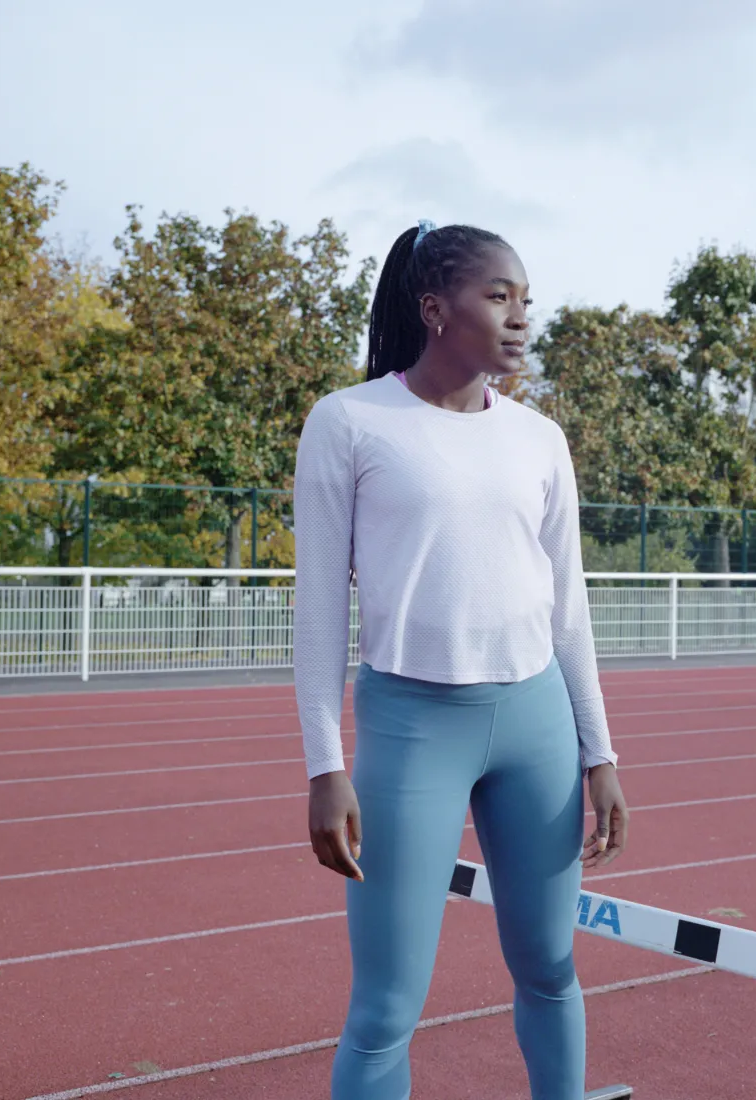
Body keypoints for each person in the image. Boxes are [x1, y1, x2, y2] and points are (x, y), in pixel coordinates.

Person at [293, 220, 629, 1100]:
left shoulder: (540, 438)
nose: (520, 318)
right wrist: (324, 766)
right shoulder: (349, 421)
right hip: (413, 731)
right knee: (385, 1010)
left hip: (537, 726)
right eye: (499, 296)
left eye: (527, 301)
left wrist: (599, 753)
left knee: (551, 968)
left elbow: (568, 608)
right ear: (436, 308)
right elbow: (319, 610)